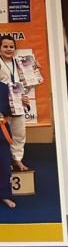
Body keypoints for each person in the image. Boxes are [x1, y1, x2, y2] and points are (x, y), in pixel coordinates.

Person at [0, 34, 29, 171]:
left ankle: (17, 159)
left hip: (18, 103)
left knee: (19, 133)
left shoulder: (19, 63)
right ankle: (5, 162)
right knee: (3, 134)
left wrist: (24, 96)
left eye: (11, 47)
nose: (8, 49)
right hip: (2, 104)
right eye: (5, 46)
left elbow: (26, 84)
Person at [0, 79, 14, 209]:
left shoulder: (4, 87)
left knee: (4, 164)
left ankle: (5, 195)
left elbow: (8, 110)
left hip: (2, 129)